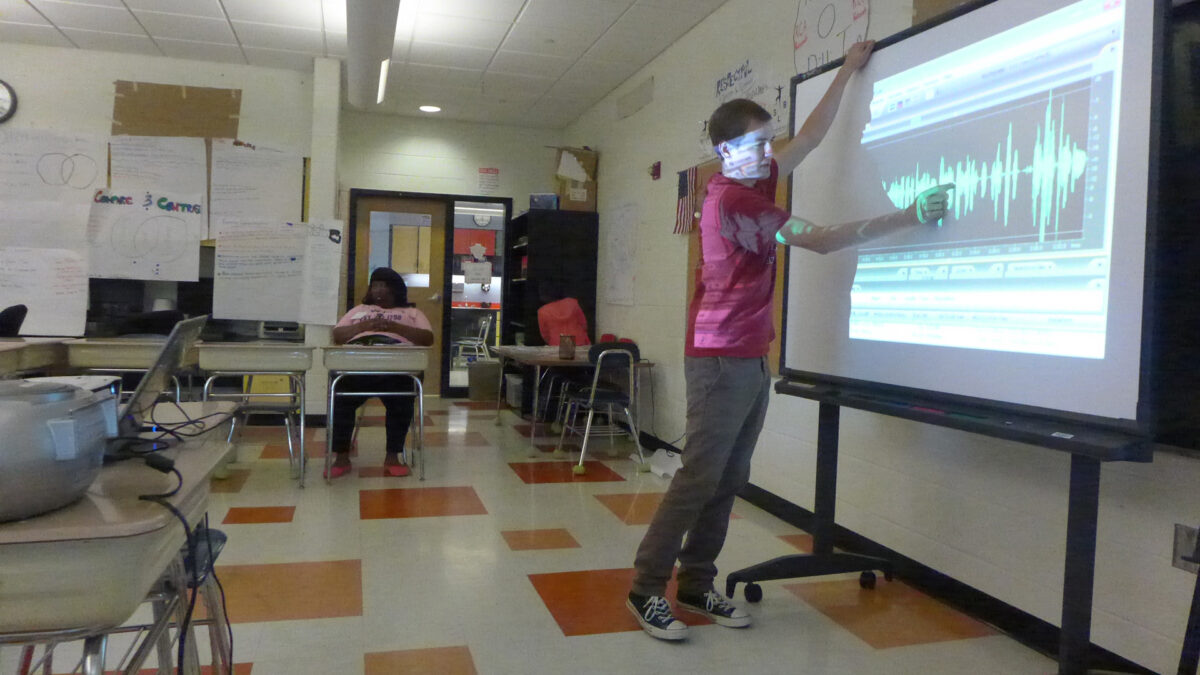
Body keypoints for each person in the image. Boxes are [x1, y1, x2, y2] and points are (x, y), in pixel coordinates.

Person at [626, 41, 954, 641]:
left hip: (750, 356)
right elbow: (822, 238)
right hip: (718, 358)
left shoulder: (759, 172)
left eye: (765, 140)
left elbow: (808, 138)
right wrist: (908, 215)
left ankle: (697, 584)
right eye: (753, 144)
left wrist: (848, 72)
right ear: (725, 151)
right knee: (699, 477)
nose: (766, 152)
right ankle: (647, 588)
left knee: (729, 478)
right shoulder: (734, 199)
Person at [326, 267, 434, 478]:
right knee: (339, 394)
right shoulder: (359, 310)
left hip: (397, 371)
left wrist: (394, 327)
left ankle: (393, 455)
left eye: (385, 285)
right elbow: (338, 335)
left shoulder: (412, 313)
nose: (379, 290)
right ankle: (341, 455)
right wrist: (365, 325)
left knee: (402, 399)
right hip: (358, 369)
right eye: (375, 285)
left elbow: (427, 338)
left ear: (396, 290)